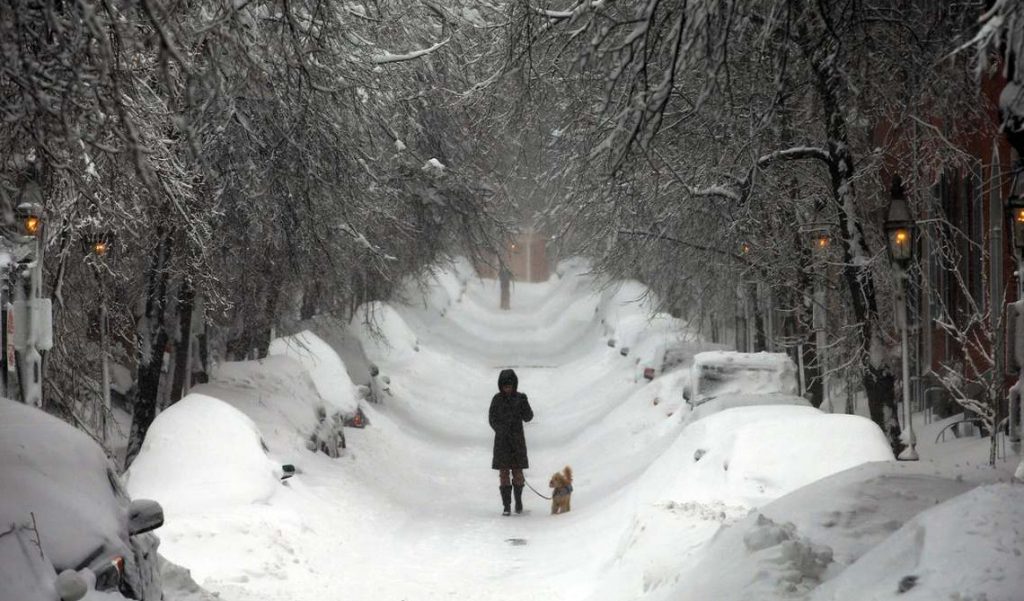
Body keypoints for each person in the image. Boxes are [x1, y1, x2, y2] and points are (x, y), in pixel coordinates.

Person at [489, 368, 533, 516]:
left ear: (514, 385)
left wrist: (525, 404)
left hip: (517, 443)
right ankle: (506, 505)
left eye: (510, 386)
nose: (507, 389)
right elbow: (492, 419)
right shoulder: (496, 399)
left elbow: (528, 417)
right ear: (500, 386)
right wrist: (500, 430)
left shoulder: (520, 398)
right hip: (502, 443)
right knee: (503, 475)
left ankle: (518, 500)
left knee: (518, 473)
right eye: (505, 386)